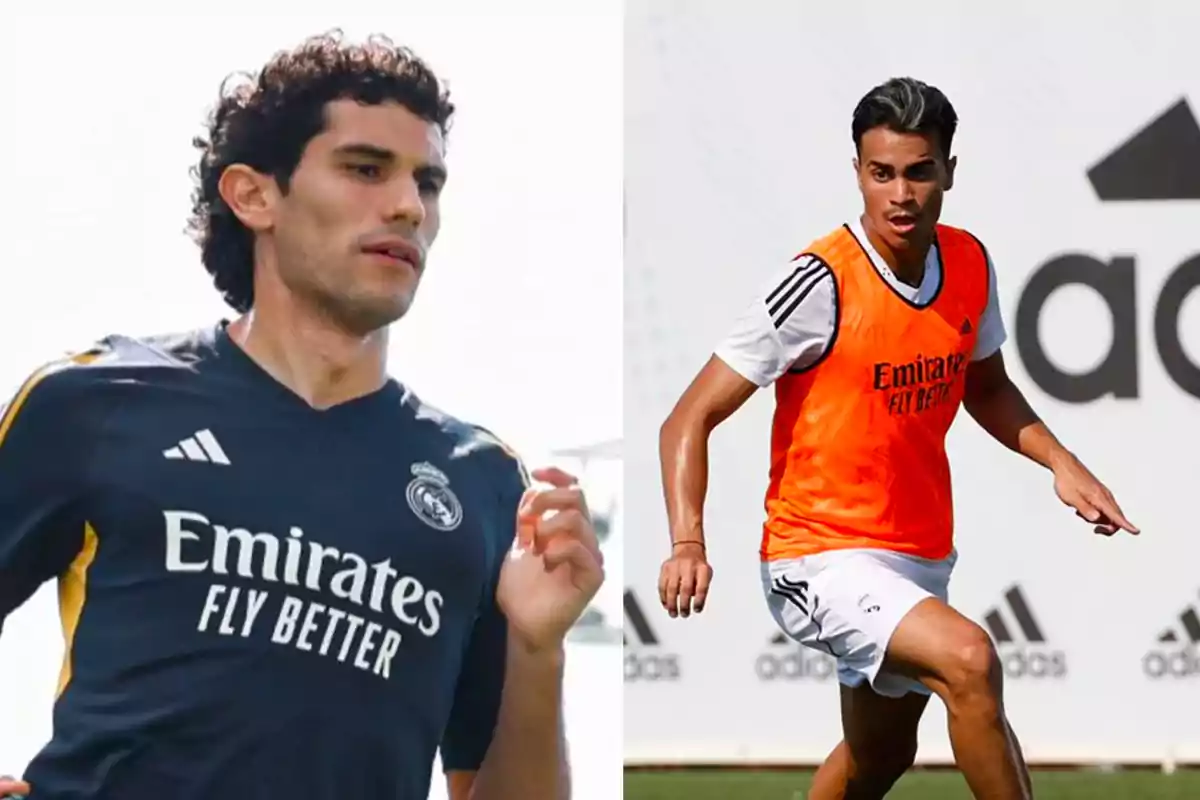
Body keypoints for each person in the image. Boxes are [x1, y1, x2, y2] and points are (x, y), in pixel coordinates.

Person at [0, 31, 602, 800]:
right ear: (254, 195)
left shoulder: (483, 484)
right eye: (364, 169)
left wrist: (537, 648)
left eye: (429, 182)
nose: (407, 206)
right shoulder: (93, 402)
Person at [655, 76, 1137, 800]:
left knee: (876, 759)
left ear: (949, 170)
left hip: (918, 555)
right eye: (881, 174)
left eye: (919, 172)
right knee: (971, 660)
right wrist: (688, 542)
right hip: (816, 555)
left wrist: (1061, 464)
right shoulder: (818, 282)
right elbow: (686, 418)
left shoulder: (968, 262)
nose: (900, 194)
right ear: (858, 172)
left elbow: (987, 385)